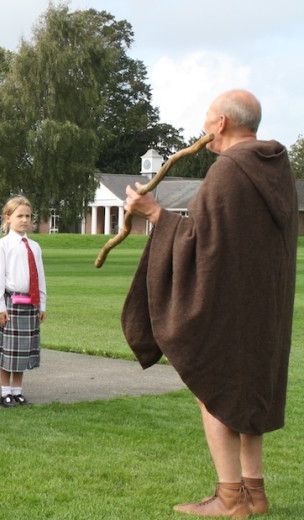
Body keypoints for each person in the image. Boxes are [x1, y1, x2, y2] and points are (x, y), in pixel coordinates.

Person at [123, 89, 296, 518]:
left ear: (221, 124)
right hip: (264, 305)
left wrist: (155, 214)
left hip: (229, 306)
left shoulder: (229, 171)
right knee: (248, 394)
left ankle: (230, 498)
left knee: (215, 392)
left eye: (207, 119)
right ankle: (254, 493)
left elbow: (202, 243)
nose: (203, 129)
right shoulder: (277, 169)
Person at [0, 196, 46, 407]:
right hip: (10, 303)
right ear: (8, 218)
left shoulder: (35, 246)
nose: (24, 220)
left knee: (22, 350)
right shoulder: (2, 245)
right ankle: (5, 393)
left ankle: (18, 392)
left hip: (30, 304)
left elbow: (40, 276)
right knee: (8, 350)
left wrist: (42, 304)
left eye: (28, 216)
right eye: (20, 216)